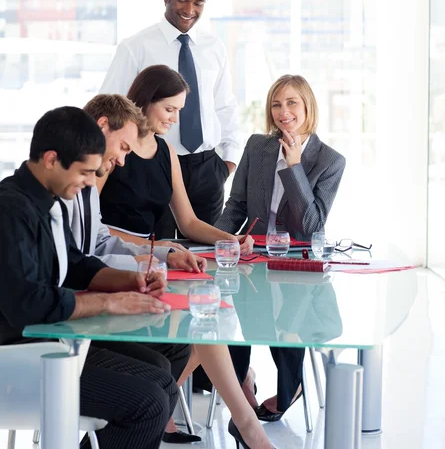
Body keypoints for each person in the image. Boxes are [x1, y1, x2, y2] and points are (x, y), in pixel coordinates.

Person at [98, 67, 277, 449]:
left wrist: (232, 239)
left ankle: (186, 415)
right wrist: (158, 247)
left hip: (156, 258)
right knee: (203, 319)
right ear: (145, 101)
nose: (175, 118)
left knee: (208, 312)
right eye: (170, 108)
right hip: (119, 261)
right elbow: (92, 230)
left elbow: (191, 221)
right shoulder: (111, 154)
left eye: (180, 110)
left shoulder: (167, 153)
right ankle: (243, 426)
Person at [0, 107, 176, 449]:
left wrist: (132, 282)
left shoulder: (46, 202)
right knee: (149, 404)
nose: (88, 182)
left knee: (163, 379)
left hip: (48, 343)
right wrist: (109, 302)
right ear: (51, 159)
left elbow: (78, 264)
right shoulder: (10, 210)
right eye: (84, 172)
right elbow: (30, 305)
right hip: (18, 356)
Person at [59, 93, 202, 444]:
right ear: (102, 126)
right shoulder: (54, 189)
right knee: (153, 390)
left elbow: (98, 242)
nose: (123, 160)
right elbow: (72, 265)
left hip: (76, 320)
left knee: (168, 364)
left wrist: (159, 257)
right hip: (59, 332)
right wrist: (115, 293)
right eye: (123, 147)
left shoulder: (87, 183)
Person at [215, 74, 346, 421]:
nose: (283, 111)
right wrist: (217, 243)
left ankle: (292, 385)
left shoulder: (330, 161)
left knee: (288, 319)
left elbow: (311, 226)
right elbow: (237, 205)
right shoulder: (257, 147)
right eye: (276, 104)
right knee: (231, 315)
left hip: (297, 262)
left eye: (291, 103)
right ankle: (240, 381)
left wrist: (294, 166)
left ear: (307, 107)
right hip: (251, 256)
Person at [99, 0, 242, 238]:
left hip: (208, 169)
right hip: (154, 167)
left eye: (199, 3)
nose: (190, 10)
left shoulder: (214, 48)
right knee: (160, 252)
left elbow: (225, 107)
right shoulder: (136, 47)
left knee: (206, 255)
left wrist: (227, 164)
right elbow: (109, 106)